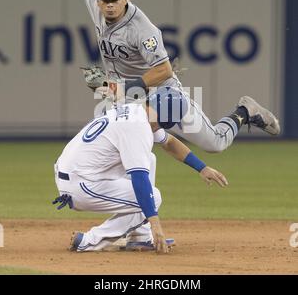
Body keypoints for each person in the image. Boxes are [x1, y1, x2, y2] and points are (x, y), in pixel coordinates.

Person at [69, 0, 280, 154]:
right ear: (98, 1)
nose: (110, 5)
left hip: (162, 94)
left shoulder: (142, 29)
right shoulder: (97, 7)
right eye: (105, 0)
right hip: (124, 97)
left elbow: (164, 70)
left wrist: (122, 88)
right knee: (111, 146)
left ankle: (246, 111)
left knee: (215, 143)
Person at [52, 77, 228, 254]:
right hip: (80, 185)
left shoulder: (138, 111)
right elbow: (139, 179)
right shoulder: (138, 126)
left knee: (149, 159)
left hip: (75, 173)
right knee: (153, 197)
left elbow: (169, 142)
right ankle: (90, 241)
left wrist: (202, 167)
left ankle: (140, 237)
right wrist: (155, 224)